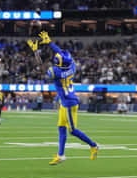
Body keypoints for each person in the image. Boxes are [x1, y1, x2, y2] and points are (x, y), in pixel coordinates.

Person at [28, 31, 99, 165]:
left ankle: (94, 145)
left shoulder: (56, 72)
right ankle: (61, 155)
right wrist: (50, 43)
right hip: (66, 100)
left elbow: (41, 68)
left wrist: (36, 52)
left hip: (68, 103)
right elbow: (61, 53)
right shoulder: (71, 65)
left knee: (72, 130)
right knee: (61, 127)